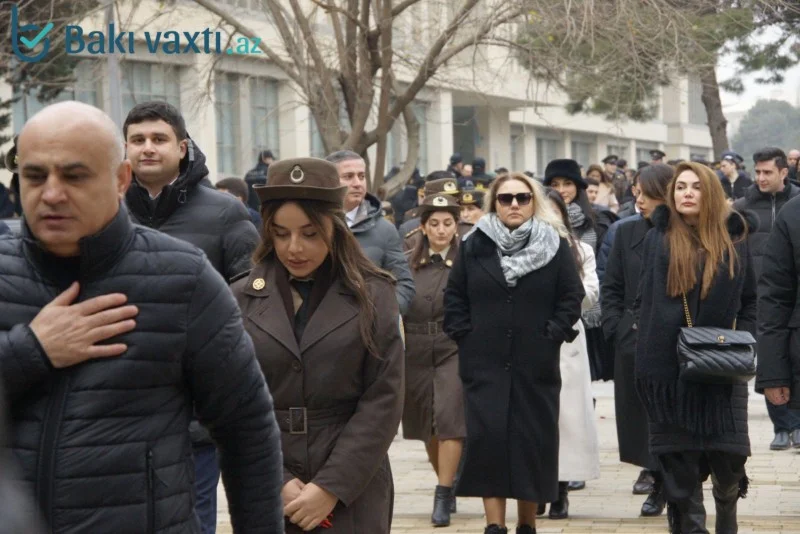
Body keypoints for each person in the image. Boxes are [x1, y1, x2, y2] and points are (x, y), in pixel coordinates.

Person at [0, 101, 283, 533]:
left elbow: (248, 431)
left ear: (120, 179)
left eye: (74, 176)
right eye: (35, 176)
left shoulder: (182, 278)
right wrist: (29, 351)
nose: (51, 194)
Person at [232, 157, 404, 533]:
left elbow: (384, 399)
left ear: (335, 226)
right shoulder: (240, 298)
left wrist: (330, 487)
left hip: (352, 482)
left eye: (310, 233)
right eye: (281, 233)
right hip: (268, 482)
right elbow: (232, 401)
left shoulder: (374, 295)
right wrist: (274, 478)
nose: (294, 248)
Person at [123, 101, 260, 532]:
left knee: (193, 523)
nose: (148, 148)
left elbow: (255, 300)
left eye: (159, 139)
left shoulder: (225, 214)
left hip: (197, 414)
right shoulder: (103, 212)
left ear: (182, 148)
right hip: (120, 408)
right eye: (137, 140)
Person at [444, 173, 585, 534]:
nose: (514, 205)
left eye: (522, 198)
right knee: (489, 441)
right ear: (494, 203)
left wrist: (551, 335)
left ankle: (526, 524)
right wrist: (466, 338)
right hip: (484, 364)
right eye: (505, 199)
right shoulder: (474, 245)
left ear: (533, 202)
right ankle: (494, 526)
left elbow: (571, 297)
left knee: (531, 444)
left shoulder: (553, 244)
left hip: (535, 364)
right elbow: (455, 297)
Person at [635, 161, 757, 533]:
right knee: (680, 472)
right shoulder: (658, 238)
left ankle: (727, 511)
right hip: (668, 373)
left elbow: (750, 299)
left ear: (711, 193)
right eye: (680, 187)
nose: (686, 193)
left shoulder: (734, 238)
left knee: (729, 460)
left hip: (720, 368)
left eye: (695, 187)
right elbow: (644, 298)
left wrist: (742, 342)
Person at [601, 164, 674, 518]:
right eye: (635, 191)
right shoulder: (625, 231)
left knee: (672, 415)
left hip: (677, 339)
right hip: (633, 336)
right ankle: (655, 475)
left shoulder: (684, 230)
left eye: (646, 192)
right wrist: (616, 327)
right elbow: (610, 287)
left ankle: (669, 483)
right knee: (640, 415)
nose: (638, 199)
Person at [402, 193, 466, 528]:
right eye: (434, 223)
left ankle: (442, 494)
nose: (441, 230)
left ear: (456, 227)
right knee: (425, 423)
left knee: (449, 418)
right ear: (423, 228)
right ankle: (448, 479)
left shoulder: (467, 259)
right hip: (414, 348)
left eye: (448, 223)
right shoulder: (407, 261)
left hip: (451, 344)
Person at [538, 188, 601, 520]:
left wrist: (562, 298)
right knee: (533, 417)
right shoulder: (516, 250)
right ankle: (536, 486)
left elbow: (590, 293)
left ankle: (560, 489)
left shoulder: (581, 251)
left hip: (567, 341)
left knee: (566, 418)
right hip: (528, 341)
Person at [733, 148, 800, 451]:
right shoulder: (742, 209)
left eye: (767, 172)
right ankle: (782, 426)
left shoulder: (790, 204)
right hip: (765, 302)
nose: (761, 177)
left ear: (784, 172)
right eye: (757, 172)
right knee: (775, 364)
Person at [326, 150, 415, 314]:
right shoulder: (312, 228)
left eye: (361, 176)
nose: (357, 183)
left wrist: (381, 316)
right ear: (329, 182)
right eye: (348, 176)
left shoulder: (385, 230)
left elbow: (403, 284)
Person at [544, 159, 610, 381]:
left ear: (578, 187)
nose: (561, 190)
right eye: (555, 184)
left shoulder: (597, 222)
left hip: (588, 312)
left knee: (582, 381)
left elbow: (602, 270)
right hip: (550, 314)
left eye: (567, 184)